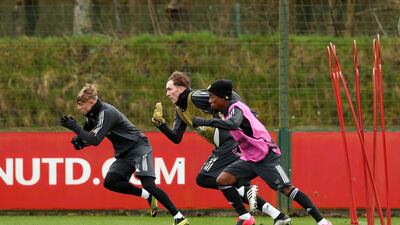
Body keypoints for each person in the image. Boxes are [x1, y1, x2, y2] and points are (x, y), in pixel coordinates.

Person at [151, 71, 291, 225]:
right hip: (224, 144)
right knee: (227, 183)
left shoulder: (195, 97)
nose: (167, 94)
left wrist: (245, 112)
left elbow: (230, 95)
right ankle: (277, 215)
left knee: (205, 178)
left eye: (169, 89)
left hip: (230, 141)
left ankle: (246, 217)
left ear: (182, 88)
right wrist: (161, 125)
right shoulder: (179, 110)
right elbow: (176, 138)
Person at [192, 79, 333, 225]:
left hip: (266, 156)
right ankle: (246, 217)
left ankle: (321, 221)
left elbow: (232, 124)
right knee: (223, 180)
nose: (209, 100)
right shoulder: (227, 111)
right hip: (249, 158)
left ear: (223, 97)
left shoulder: (236, 108)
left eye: (212, 96)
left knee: (286, 188)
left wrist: (205, 122)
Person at [60, 83, 189, 225]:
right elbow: (88, 137)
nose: (78, 108)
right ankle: (148, 197)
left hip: (139, 148)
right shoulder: (91, 116)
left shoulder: (106, 112)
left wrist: (74, 127)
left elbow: (95, 139)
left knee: (148, 184)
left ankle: (179, 217)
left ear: (91, 102)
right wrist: (79, 143)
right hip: (124, 153)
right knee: (111, 182)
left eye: (81, 104)